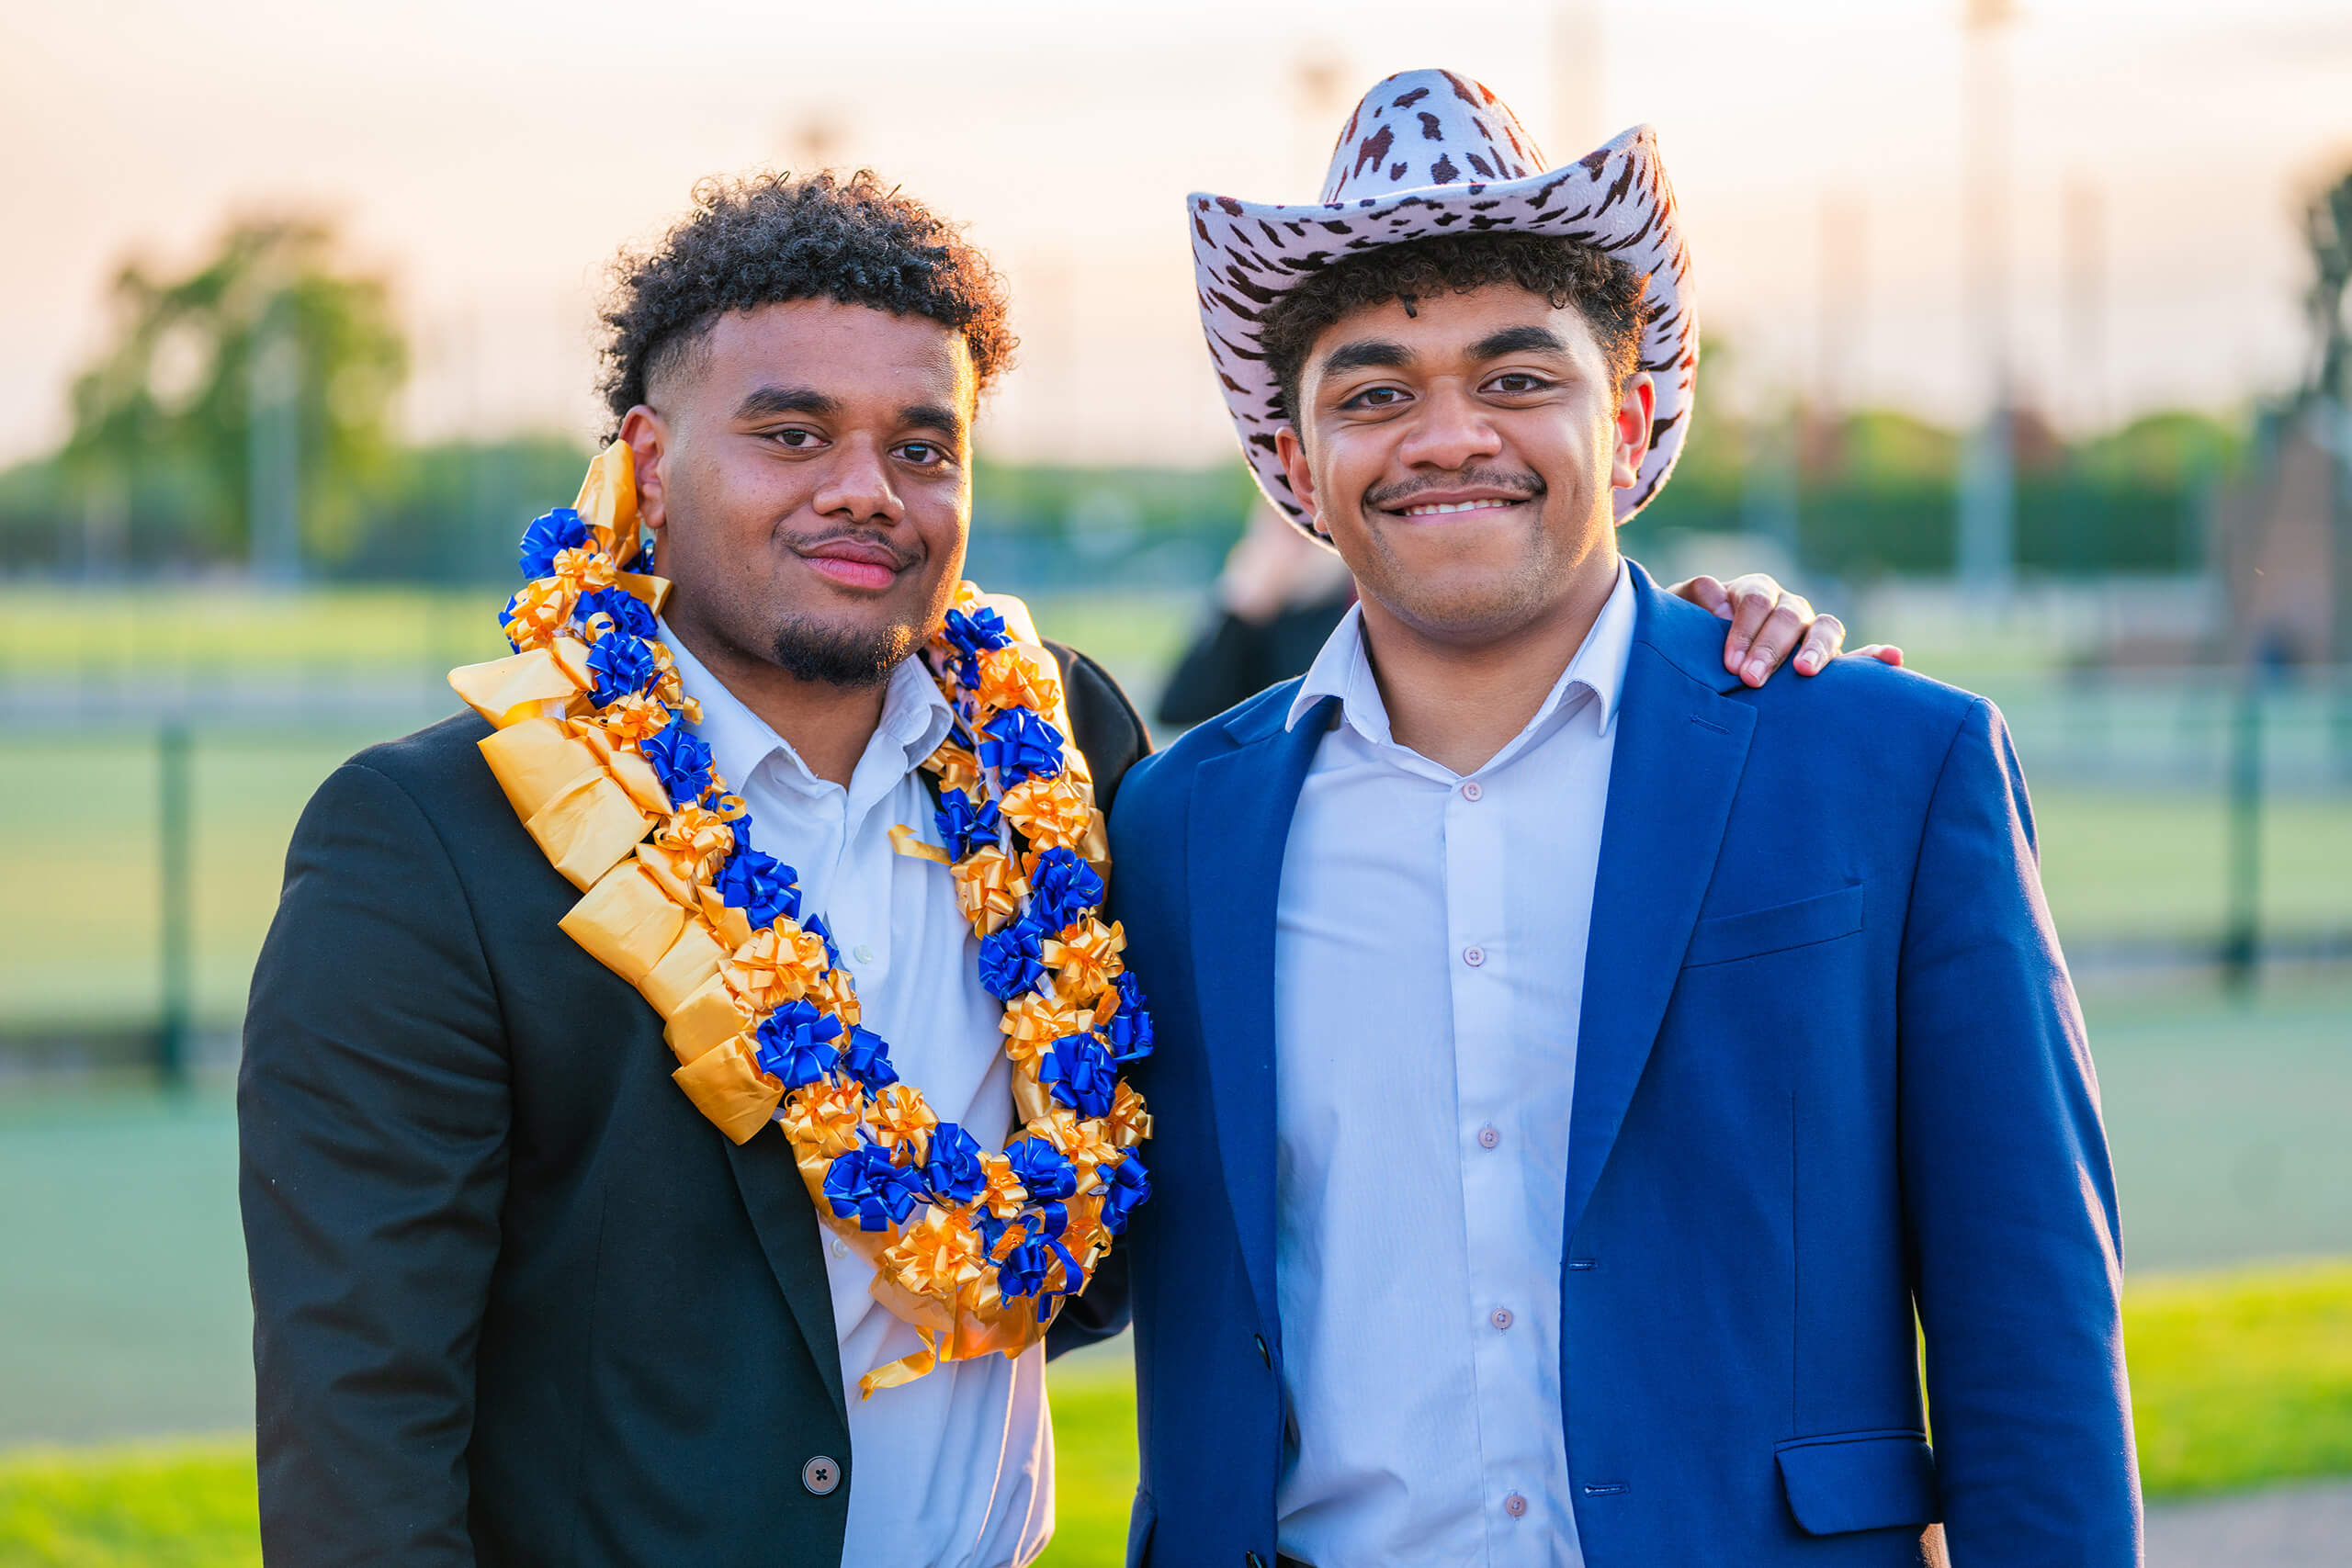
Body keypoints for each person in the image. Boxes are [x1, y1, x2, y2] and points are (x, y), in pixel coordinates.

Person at [239, 170, 1871, 1567]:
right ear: (649, 471)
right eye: (791, 431)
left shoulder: (1062, 754)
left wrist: (1675, 641)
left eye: (923, 445)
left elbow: (1370, 818)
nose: (865, 489)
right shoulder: (434, 842)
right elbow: (360, 1427)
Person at [1108, 70, 2138, 1568]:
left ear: (1633, 409)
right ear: (1297, 464)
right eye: (1376, 391)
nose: (1448, 434)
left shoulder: (1886, 767)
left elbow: (2032, 1335)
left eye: (1518, 378)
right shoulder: (1173, 829)